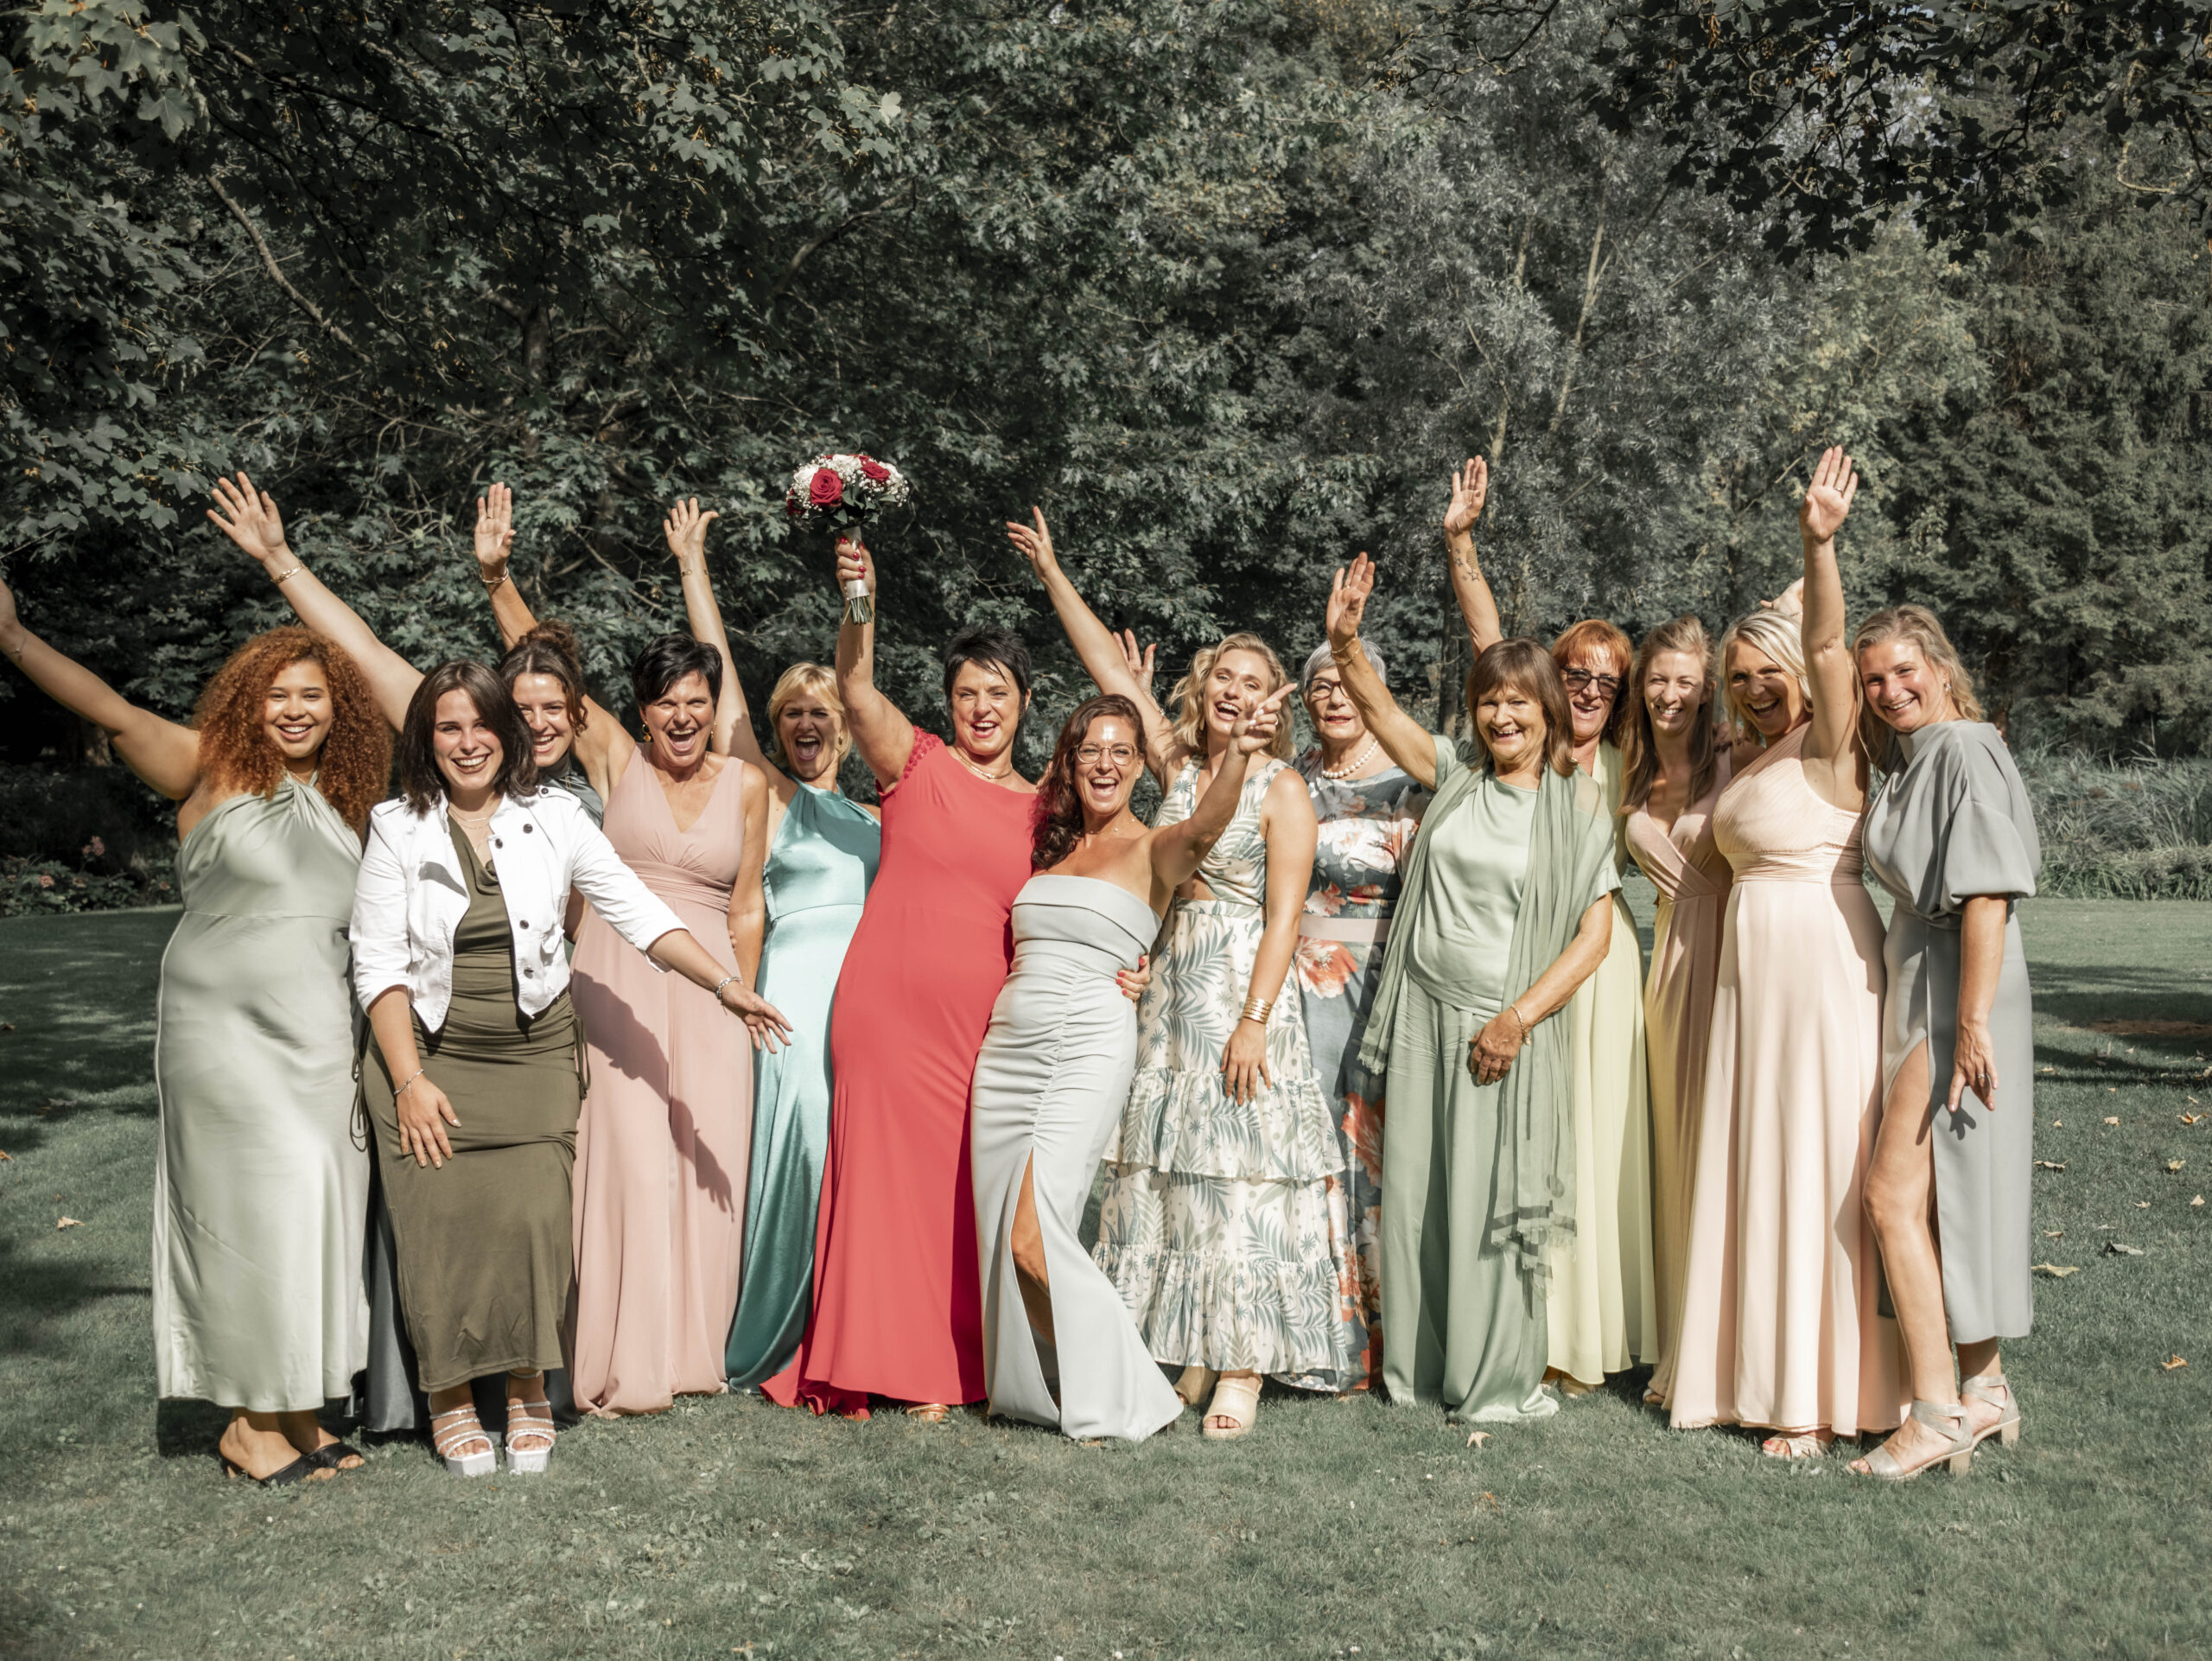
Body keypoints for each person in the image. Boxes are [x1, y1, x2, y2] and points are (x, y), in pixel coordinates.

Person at [219, 474, 612, 1432]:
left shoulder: (594, 775)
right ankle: (440, 1390)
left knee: (540, 1211)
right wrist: (281, 562)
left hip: (557, 1018)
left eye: (552, 707)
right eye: (520, 706)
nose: (537, 720)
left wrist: (502, 583)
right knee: (450, 1205)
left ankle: (547, 1375)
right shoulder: (456, 754)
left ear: (573, 713)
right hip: (450, 1016)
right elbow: (366, 650)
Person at [1, 556, 388, 1486]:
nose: (294, 709)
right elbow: (110, 711)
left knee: (315, 1203)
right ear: (249, 702)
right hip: (223, 1036)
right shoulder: (208, 766)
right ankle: (247, 1425)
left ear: (339, 707)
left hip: (319, 1033)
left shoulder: (355, 797)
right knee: (246, 1212)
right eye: (277, 694)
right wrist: (11, 637)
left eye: (313, 694)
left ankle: (297, 1407)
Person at [353, 661, 789, 1473]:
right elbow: (377, 965)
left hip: (533, 1051)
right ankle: (449, 1397)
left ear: (506, 732)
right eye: (449, 727)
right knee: (441, 1228)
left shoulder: (554, 816)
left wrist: (726, 985)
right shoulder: (396, 825)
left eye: (482, 724)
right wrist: (408, 1081)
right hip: (431, 1051)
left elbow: (636, 909)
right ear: (426, 738)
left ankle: (527, 1388)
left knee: (536, 1225)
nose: (469, 742)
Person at [766, 532, 1143, 1421]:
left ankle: (948, 1364)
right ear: (948, 703)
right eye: (967, 692)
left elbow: (1109, 885)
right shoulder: (918, 765)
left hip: (988, 1028)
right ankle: (881, 1363)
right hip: (886, 1011)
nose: (982, 707)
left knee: (954, 1193)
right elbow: (856, 686)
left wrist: (1133, 964)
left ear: (1024, 704)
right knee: (882, 1184)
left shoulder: (1052, 807)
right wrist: (859, 597)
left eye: (998, 692)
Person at [1012, 511, 1341, 1441]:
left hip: (1241, 989)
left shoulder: (1283, 787)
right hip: (1166, 995)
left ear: (1273, 701)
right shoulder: (1177, 762)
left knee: (1237, 1174)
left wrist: (1254, 1018)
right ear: (1205, 689)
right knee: (1166, 1174)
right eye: (1224, 678)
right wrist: (1053, 572)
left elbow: (1284, 916)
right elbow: (1109, 674)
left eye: (1253, 683)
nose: (1235, 692)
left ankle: (1242, 1364)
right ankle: (1185, 1341)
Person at [1324, 555, 1619, 1423]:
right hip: (1422, 1011)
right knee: (1419, 1195)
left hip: (1503, 1025)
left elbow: (1594, 936)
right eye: (1488, 700)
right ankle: (1418, 1371)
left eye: (1518, 701)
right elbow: (1380, 710)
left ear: (1548, 710)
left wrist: (1517, 1018)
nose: (1501, 715)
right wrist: (1345, 642)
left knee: (1490, 1201)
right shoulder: (1455, 773)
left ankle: (1492, 1379)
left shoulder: (1575, 807)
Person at [1668, 447, 1908, 1456]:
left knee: (1815, 1163)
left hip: (1819, 968)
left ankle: (1813, 1396)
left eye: (1769, 672)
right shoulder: (1749, 754)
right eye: (1739, 678)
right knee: (1761, 1163)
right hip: (1747, 981)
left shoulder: (1831, 742)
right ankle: (1753, 1372)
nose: (1756, 687)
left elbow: (1823, 641)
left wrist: (1817, 546)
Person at [971, 688, 1289, 1440]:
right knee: (1003, 1241)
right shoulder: (1048, 849)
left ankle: (1136, 1389)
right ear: (1069, 762)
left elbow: (1205, 830)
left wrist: (1236, 756)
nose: (1105, 764)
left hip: (1085, 1047)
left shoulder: (1155, 849)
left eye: (1121, 751)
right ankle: (1065, 1380)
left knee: (1033, 1237)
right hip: (1006, 1055)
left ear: (1139, 766)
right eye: (1091, 750)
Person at [648, 501, 887, 1389]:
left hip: (866, 1003)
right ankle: (779, 1323)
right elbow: (726, 700)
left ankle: (855, 1325)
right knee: (803, 1145)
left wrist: (859, 595)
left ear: (845, 725)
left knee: (861, 1157)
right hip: (794, 995)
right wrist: (693, 569)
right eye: (791, 713)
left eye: (820, 710)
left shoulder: (881, 816)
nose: (805, 723)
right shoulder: (771, 793)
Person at [1441, 460, 1656, 1391]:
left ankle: (1585, 1334)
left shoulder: (1630, 761)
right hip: (1515, 960)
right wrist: (1461, 543)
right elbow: (1487, 639)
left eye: (1610, 678)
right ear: (1551, 679)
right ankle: (1517, 1315)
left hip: (1596, 968)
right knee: (1523, 1134)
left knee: (1591, 1141)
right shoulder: (1526, 739)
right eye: (1577, 672)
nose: (1592, 687)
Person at [1848, 603, 2041, 1480]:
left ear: (1938, 664)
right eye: (1873, 680)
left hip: (1956, 983)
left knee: (1891, 1196)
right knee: (1940, 1193)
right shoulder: (1910, 755)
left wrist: (1968, 1023)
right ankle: (1985, 1385)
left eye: (1903, 671)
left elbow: (1989, 894)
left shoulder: (1962, 746)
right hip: (1921, 976)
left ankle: (1934, 1416)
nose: (1890, 690)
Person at [1291, 643, 1432, 1394]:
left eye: (1349, 683)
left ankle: (1382, 1336)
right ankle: (1312, 1330)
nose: (1335, 697)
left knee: (1372, 1150)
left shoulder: (1410, 782)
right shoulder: (1293, 775)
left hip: (1378, 983)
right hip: (1297, 985)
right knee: (1309, 1143)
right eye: (1320, 685)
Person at [1618, 616, 1733, 1405]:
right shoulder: (1627, 768)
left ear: (1706, 687)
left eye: (1685, 680)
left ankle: (1721, 1340)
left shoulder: (1735, 752)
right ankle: (1675, 1340)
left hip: (1731, 959)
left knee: (1722, 1146)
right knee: (1673, 1153)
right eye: (1658, 679)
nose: (1670, 694)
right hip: (1665, 971)